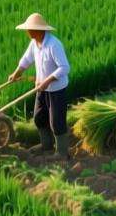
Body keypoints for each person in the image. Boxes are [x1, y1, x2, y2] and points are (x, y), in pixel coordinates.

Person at [8, 12, 72, 160]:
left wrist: (48, 81)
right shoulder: (35, 43)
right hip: (41, 88)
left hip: (56, 89)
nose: (28, 32)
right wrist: (17, 73)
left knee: (56, 121)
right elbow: (27, 59)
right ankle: (46, 145)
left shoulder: (54, 45)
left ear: (40, 30)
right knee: (39, 117)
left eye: (31, 29)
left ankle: (62, 153)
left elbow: (64, 67)